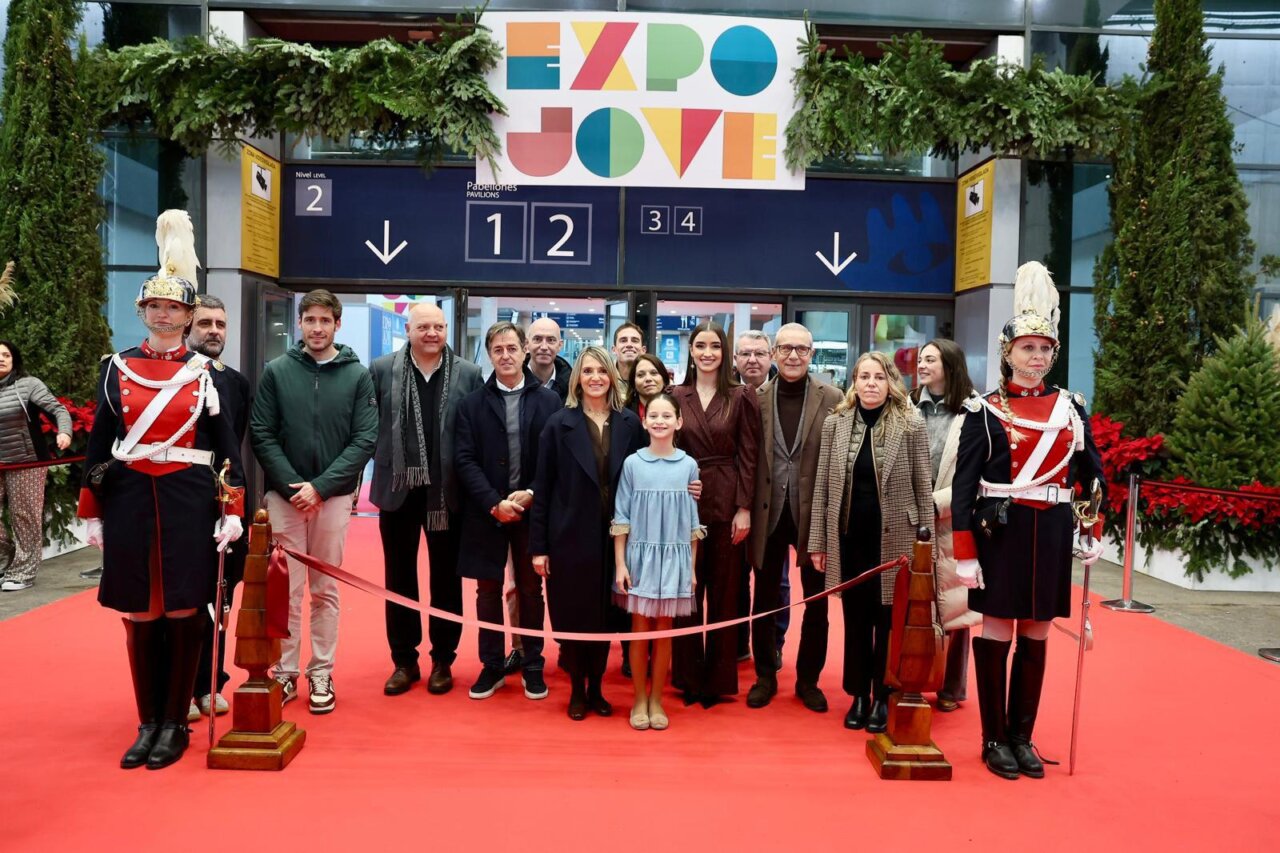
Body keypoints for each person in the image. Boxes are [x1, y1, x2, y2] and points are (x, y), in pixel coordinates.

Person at [77, 209, 246, 770]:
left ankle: (175, 723)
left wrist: (232, 510)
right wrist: (92, 509)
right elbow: (100, 445)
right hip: (129, 499)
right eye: (156, 306)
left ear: (189, 314)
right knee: (140, 612)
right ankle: (147, 721)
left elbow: (226, 449)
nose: (165, 314)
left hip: (188, 499)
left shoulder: (208, 374)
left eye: (175, 306)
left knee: (183, 610)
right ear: (143, 310)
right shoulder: (114, 369)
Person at [950, 262, 1104, 780]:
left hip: (1052, 533)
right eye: (1027, 348)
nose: (1036, 357)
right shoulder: (984, 411)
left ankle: (1023, 735)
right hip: (1002, 534)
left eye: (1045, 349)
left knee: (1037, 633)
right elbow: (965, 490)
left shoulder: (1071, 409)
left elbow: (1093, 479)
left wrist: (1091, 528)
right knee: (996, 630)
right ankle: (993, 737)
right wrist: (966, 556)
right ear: (1007, 353)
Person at [249, 289, 377, 715]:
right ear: (300, 324)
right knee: (286, 588)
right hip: (285, 498)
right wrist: (291, 485)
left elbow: (364, 439)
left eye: (325, 320)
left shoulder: (357, 375)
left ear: (337, 324)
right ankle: (284, 673)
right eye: (310, 320)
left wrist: (321, 486)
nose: (317, 328)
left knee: (325, 590)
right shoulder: (277, 372)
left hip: (333, 499)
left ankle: (321, 670)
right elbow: (262, 432)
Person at [808, 351, 933, 734]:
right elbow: (822, 487)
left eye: (879, 377)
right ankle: (858, 694)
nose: (871, 384)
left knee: (888, 621)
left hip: (896, 540)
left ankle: (883, 694)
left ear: (890, 381)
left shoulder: (910, 424)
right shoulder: (836, 424)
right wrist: (818, 542)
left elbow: (923, 487)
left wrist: (925, 551)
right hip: (849, 537)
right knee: (856, 620)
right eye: (864, 377)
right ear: (854, 382)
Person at [370, 302, 482, 697]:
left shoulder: (469, 373)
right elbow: (370, 428)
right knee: (398, 579)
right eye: (424, 327)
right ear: (408, 328)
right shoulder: (382, 369)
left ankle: (442, 660)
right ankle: (404, 660)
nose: (432, 333)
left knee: (446, 582)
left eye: (438, 326)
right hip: (397, 490)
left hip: (447, 494)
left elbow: (475, 433)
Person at [530, 347, 645, 720]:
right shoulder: (558, 424)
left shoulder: (629, 424)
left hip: (616, 539)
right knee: (574, 615)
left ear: (612, 377)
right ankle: (577, 689)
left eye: (602, 371)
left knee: (606, 617)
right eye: (587, 371)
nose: (595, 377)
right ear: (577, 378)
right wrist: (539, 548)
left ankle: (597, 688)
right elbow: (542, 488)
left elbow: (647, 473)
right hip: (569, 538)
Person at [455, 322, 560, 701]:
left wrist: (531, 493)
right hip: (487, 512)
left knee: (532, 590)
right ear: (489, 354)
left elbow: (554, 460)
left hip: (533, 512)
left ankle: (533, 664)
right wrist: (492, 503)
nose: (506, 355)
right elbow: (464, 460)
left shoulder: (550, 402)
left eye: (512, 348)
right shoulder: (471, 405)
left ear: (524, 351)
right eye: (498, 349)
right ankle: (491, 665)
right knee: (488, 590)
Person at [744, 324, 843, 711]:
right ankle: (765, 675)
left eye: (801, 349)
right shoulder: (754, 397)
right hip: (767, 513)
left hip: (812, 515)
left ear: (812, 354)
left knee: (817, 603)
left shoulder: (833, 398)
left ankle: (808, 680)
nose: (792, 356)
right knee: (765, 599)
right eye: (785, 348)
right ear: (773, 351)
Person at [670, 321, 760, 706]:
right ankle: (689, 677)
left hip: (726, 503)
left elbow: (750, 456)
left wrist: (744, 508)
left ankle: (719, 679)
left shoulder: (741, 396)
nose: (707, 352)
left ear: (725, 354)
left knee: (724, 594)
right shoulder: (676, 394)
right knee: (687, 592)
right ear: (690, 350)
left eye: (715, 346)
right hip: (684, 502)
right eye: (700, 345)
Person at [612, 392, 702, 731]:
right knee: (639, 630)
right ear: (645, 421)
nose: (660, 420)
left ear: (679, 422)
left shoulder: (689, 465)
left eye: (668, 415)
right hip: (640, 557)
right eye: (654, 415)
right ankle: (638, 697)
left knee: (665, 631)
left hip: (675, 557)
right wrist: (621, 564)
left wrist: (691, 568)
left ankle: (657, 699)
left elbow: (693, 524)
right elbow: (621, 516)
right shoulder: (633, 463)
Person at [182, 296, 252, 721]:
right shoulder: (164, 374)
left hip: (218, 504)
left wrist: (234, 507)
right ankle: (177, 690)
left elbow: (232, 452)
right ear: (189, 324)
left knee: (218, 596)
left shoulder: (236, 383)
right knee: (179, 600)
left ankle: (211, 684)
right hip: (173, 500)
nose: (214, 331)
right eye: (205, 322)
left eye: (221, 324)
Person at [912, 338, 981, 713]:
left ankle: (952, 688)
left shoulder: (973, 412)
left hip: (954, 518)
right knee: (912, 604)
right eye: (921, 359)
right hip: (909, 520)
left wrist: (936, 503)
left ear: (950, 366)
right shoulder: (907, 405)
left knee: (955, 606)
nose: (922, 365)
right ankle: (909, 676)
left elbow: (977, 474)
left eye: (930, 359)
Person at [0, 339, 72, 592]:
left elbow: (58, 410)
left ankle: (23, 573)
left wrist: (65, 433)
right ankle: (10, 557)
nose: (1, 359)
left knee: (24, 516)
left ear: (14, 359)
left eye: (6, 355)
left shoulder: (28, 385)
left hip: (27, 461)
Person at [733, 329, 775, 662]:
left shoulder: (781, 393)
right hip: (736, 497)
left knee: (775, 578)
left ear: (770, 356)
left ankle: (773, 643)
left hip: (775, 501)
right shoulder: (727, 393)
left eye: (759, 353)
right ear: (735, 359)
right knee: (736, 576)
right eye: (745, 353)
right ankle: (738, 643)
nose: (752, 360)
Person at [526, 316, 571, 402]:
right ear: (527, 343)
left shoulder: (573, 388)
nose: (544, 347)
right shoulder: (510, 381)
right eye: (537, 339)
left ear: (560, 345)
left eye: (551, 340)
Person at [624, 353, 671, 420]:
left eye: (654, 373)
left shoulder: (679, 407)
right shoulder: (622, 414)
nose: (648, 379)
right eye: (641, 375)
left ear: (664, 379)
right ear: (633, 382)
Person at [611, 322, 646, 391]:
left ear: (643, 350)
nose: (629, 344)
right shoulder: (605, 377)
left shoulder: (652, 379)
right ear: (614, 349)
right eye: (623, 340)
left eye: (634, 341)